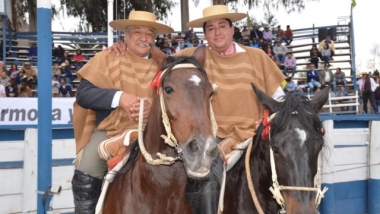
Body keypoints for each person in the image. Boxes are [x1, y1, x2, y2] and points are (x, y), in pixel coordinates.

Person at [108, 5, 285, 214]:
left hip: (252, 135)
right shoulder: (193, 56)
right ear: (205, 34)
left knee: (289, 169)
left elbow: (279, 98)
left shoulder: (258, 57)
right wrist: (123, 47)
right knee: (206, 181)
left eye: (221, 26)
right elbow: (159, 60)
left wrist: (273, 119)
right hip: (213, 138)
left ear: (232, 29)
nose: (217, 32)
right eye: (210, 28)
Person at [71, 11, 174, 213]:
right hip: (112, 130)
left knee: (193, 169)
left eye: (149, 33)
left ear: (154, 39)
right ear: (124, 36)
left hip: (156, 132)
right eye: (137, 32)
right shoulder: (108, 57)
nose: (143, 38)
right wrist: (120, 98)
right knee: (87, 166)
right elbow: (83, 94)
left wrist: (153, 109)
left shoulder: (166, 66)